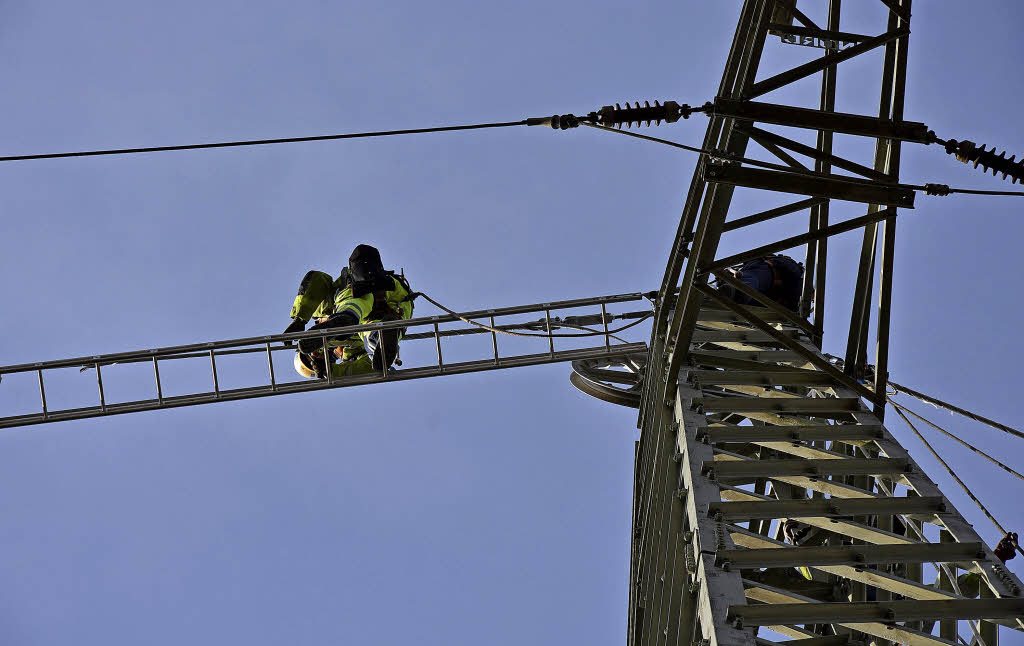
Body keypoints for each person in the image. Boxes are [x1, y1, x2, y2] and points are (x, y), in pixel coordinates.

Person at [283, 244, 414, 378]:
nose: (313, 356)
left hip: (365, 285)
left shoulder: (320, 312)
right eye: (312, 363)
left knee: (354, 304)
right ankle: (381, 335)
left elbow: (317, 278)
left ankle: (345, 319)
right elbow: (371, 368)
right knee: (374, 339)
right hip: (398, 302)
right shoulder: (350, 352)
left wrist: (300, 317)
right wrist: (331, 372)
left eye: (308, 354)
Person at [717, 254, 804, 312]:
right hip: (768, 275)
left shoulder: (793, 270)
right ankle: (737, 292)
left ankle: (736, 294)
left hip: (769, 299)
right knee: (752, 279)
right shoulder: (789, 266)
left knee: (753, 306)